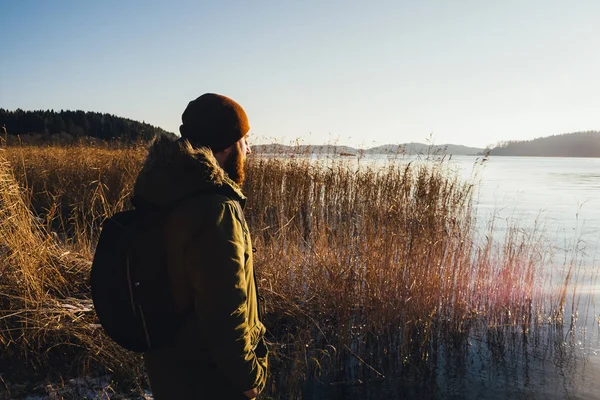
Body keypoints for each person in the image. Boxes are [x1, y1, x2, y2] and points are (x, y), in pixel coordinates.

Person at [133, 93, 268, 399]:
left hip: (169, 368)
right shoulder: (214, 210)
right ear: (224, 145)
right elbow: (224, 312)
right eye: (244, 139)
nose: (248, 149)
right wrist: (249, 380)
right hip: (212, 380)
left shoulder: (166, 190)